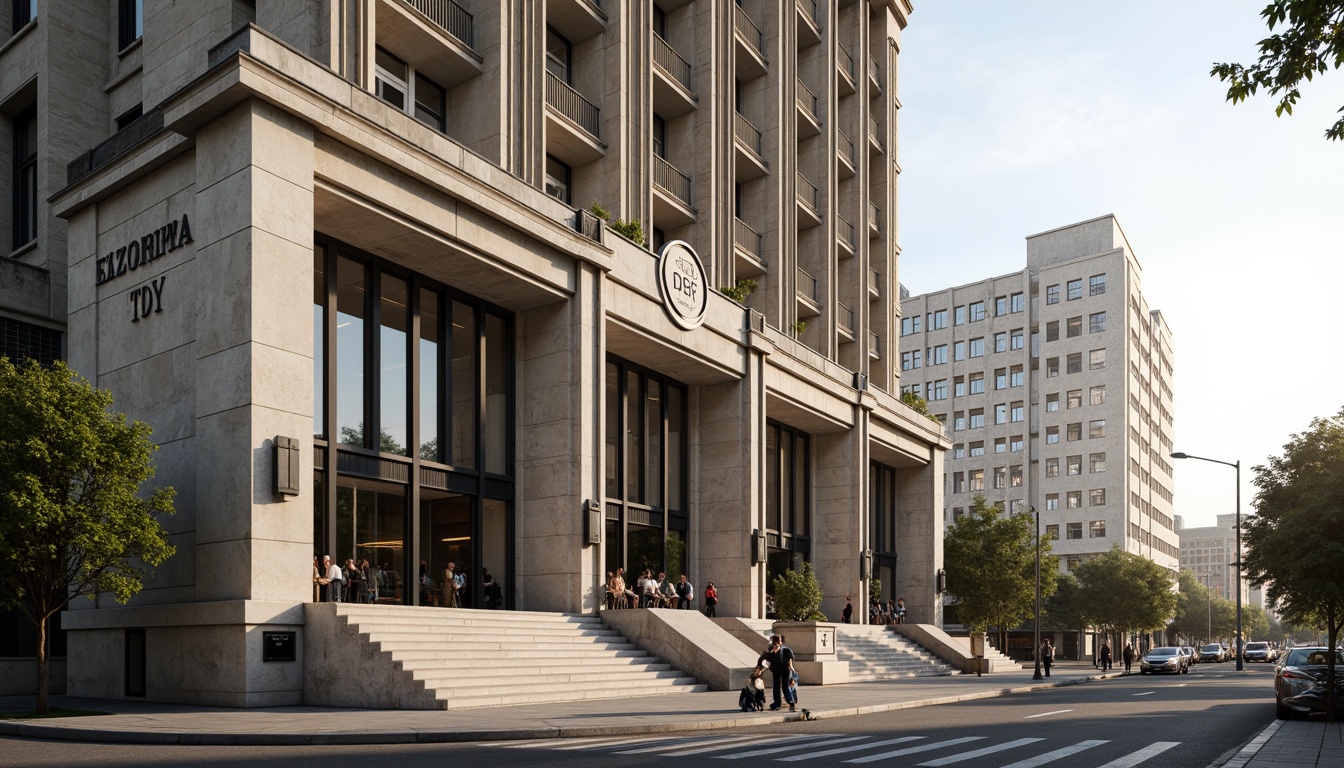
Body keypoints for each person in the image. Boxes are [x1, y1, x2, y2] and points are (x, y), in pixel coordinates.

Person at [758, 635, 798, 712]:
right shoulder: (771, 652)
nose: (776, 644)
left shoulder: (786, 650)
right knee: (776, 687)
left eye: (778, 641)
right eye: (775, 642)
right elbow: (764, 660)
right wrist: (760, 669)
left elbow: (790, 662)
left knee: (785, 687)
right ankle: (777, 703)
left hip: (785, 671)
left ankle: (791, 702)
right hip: (776, 671)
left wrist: (793, 671)